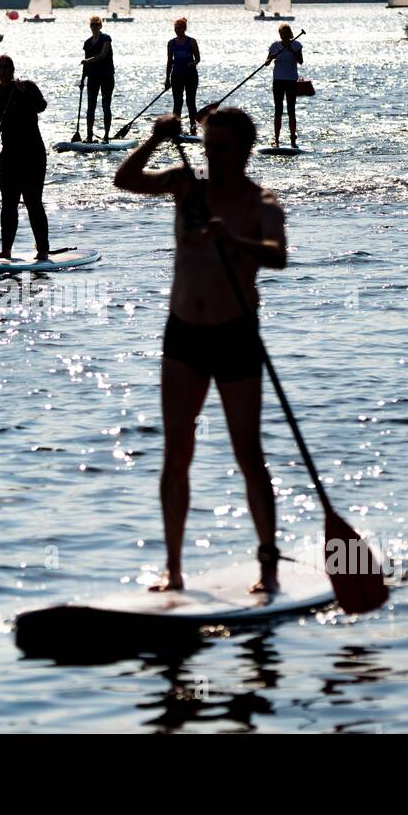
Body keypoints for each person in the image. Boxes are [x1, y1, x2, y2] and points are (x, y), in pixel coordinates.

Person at [114, 108, 287, 595]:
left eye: (224, 148)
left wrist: (232, 240)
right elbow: (124, 180)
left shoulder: (262, 201)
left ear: (246, 150)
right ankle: (173, 568)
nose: (213, 156)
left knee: (248, 454)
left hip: (235, 335)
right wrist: (153, 138)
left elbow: (278, 254)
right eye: (208, 147)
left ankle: (268, 566)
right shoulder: (186, 185)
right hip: (184, 334)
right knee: (177, 453)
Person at [0, 55, 49, 260]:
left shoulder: (27, 87)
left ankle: (43, 250)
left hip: (33, 154)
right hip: (10, 155)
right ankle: (6, 250)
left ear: (12, 69)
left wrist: (24, 93)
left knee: (33, 202)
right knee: (8, 204)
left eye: (6, 67)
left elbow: (41, 106)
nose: (3, 70)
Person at [265, 24, 303, 149]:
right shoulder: (275, 46)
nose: (283, 36)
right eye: (281, 34)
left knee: (291, 110)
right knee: (278, 111)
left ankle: (293, 140)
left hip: (291, 80)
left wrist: (290, 49)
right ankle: (276, 140)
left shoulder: (296, 45)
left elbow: (300, 61)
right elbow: (266, 63)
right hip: (278, 81)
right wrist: (271, 58)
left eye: (285, 33)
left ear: (289, 34)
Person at [80, 15, 114, 143]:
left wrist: (88, 60)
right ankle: (89, 135)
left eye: (96, 24)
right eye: (92, 25)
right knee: (91, 106)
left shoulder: (106, 38)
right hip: (92, 77)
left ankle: (106, 136)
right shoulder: (87, 43)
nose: (94, 27)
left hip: (106, 76)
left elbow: (102, 55)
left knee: (106, 105)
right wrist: (82, 80)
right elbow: (85, 64)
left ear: (100, 26)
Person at [165, 18, 201, 136]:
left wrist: (192, 63)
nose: (177, 30)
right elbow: (170, 61)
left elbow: (198, 59)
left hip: (190, 75)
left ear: (184, 29)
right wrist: (167, 79)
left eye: (179, 28)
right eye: (176, 28)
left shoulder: (191, 41)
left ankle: (193, 125)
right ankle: (176, 127)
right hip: (176, 76)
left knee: (191, 101)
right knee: (178, 102)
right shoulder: (171, 43)